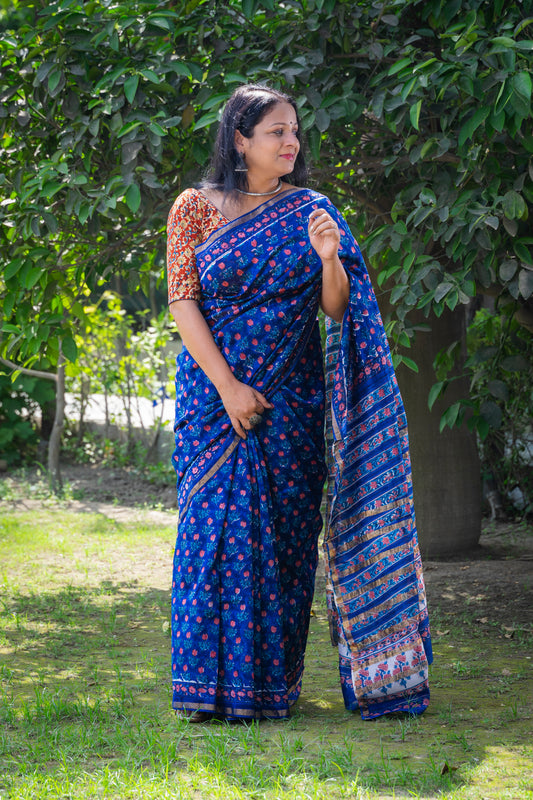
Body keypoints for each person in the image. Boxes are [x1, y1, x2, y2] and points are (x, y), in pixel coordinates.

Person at [166, 84, 433, 723]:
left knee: (286, 538)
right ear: (239, 139)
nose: (291, 143)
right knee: (213, 531)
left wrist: (328, 258)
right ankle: (209, 692)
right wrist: (228, 387)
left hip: (292, 398)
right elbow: (183, 301)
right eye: (276, 133)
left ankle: (269, 688)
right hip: (212, 395)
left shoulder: (312, 211)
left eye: (294, 132)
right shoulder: (194, 208)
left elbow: (337, 308)